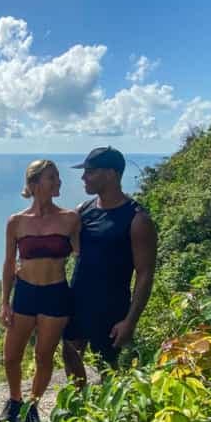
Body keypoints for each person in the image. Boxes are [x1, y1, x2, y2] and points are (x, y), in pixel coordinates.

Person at [62, 146, 157, 385]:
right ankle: (80, 406)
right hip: (79, 301)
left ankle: (110, 417)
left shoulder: (137, 219)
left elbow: (145, 274)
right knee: (70, 354)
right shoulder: (84, 211)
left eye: (90, 172)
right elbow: (63, 245)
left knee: (108, 367)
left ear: (112, 174)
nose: (84, 177)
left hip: (111, 308)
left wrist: (130, 321)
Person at [0, 159, 80, 422]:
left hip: (56, 294)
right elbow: (9, 263)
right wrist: (4, 302)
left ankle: (33, 404)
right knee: (11, 356)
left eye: (58, 177)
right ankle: (14, 399)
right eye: (51, 177)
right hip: (25, 294)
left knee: (44, 356)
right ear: (34, 184)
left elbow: (82, 256)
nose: (58, 182)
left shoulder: (70, 219)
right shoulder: (17, 222)